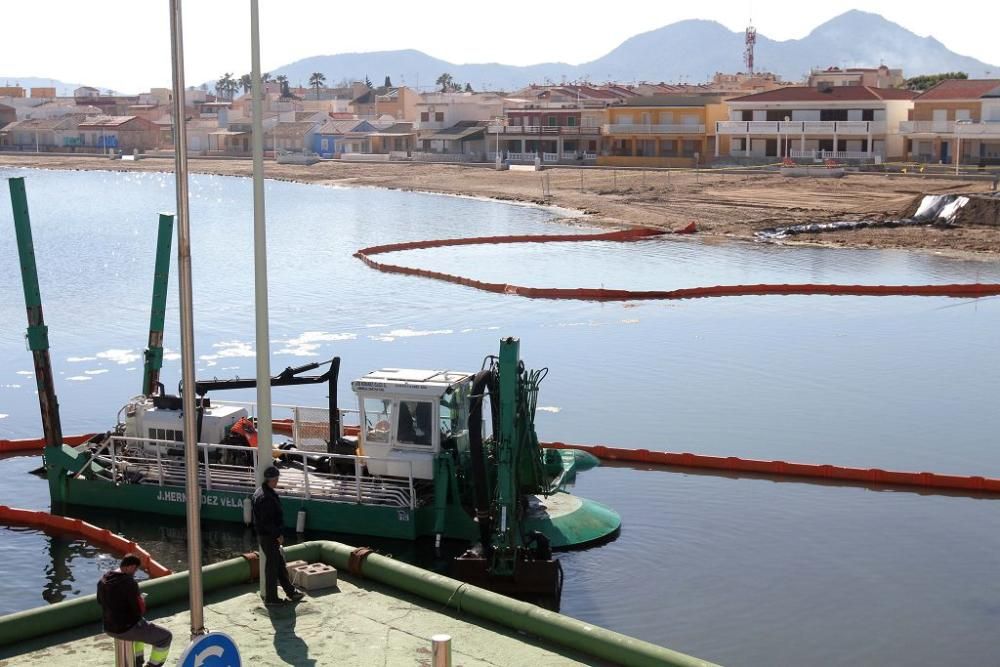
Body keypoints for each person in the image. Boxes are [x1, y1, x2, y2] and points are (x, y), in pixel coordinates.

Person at [96, 554, 172, 667]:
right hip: (126, 629)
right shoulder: (129, 582)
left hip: (108, 627)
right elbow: (138, 610)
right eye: (135, 569)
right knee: (165, 637)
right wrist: (141, 601)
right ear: (130, 567)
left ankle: (137, 662)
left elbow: (100, 601)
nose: (135, 572)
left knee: (138, 629)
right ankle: (152, 665)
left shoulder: (103, 579)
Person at [252, 465, 304, 606]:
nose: (277, 482)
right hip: (269, 537)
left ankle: (290, 592)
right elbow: (268, 522)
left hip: (266, 536)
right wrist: (278, 535)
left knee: (279, 564)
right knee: (272, 568)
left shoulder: (260, 492)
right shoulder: (266, 497)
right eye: (276, 479)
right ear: (273, 480)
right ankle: (271, 599)